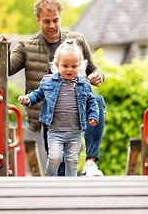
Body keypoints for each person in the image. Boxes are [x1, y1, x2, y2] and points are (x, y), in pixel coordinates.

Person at [0, 0, 105, 176]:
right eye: (47, 21)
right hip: (48, 114)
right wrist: (2, 48)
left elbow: (95, 70)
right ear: (38, 19)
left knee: (97, 99)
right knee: (58, 163)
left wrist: (97, 76)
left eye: (56, 20)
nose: (52, 25)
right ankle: (63, 193)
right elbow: (7, 69)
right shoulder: (26, 46)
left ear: (60, 16)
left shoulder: (77, 41)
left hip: (75, 107)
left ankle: (91, 162)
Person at [18, 39, 99, 176]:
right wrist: (28, 99)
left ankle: (70, 185)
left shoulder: (84, 85)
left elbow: (92, 101)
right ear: (57, 65)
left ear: (79, 66)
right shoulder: (48, 81)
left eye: (74, 66)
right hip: (55, 131)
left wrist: (93, 115)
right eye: (65, 65)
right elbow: (37, 95)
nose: (69, 69)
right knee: (55, 158)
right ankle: (49, 179)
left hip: (75, 131)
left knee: (72, 160)